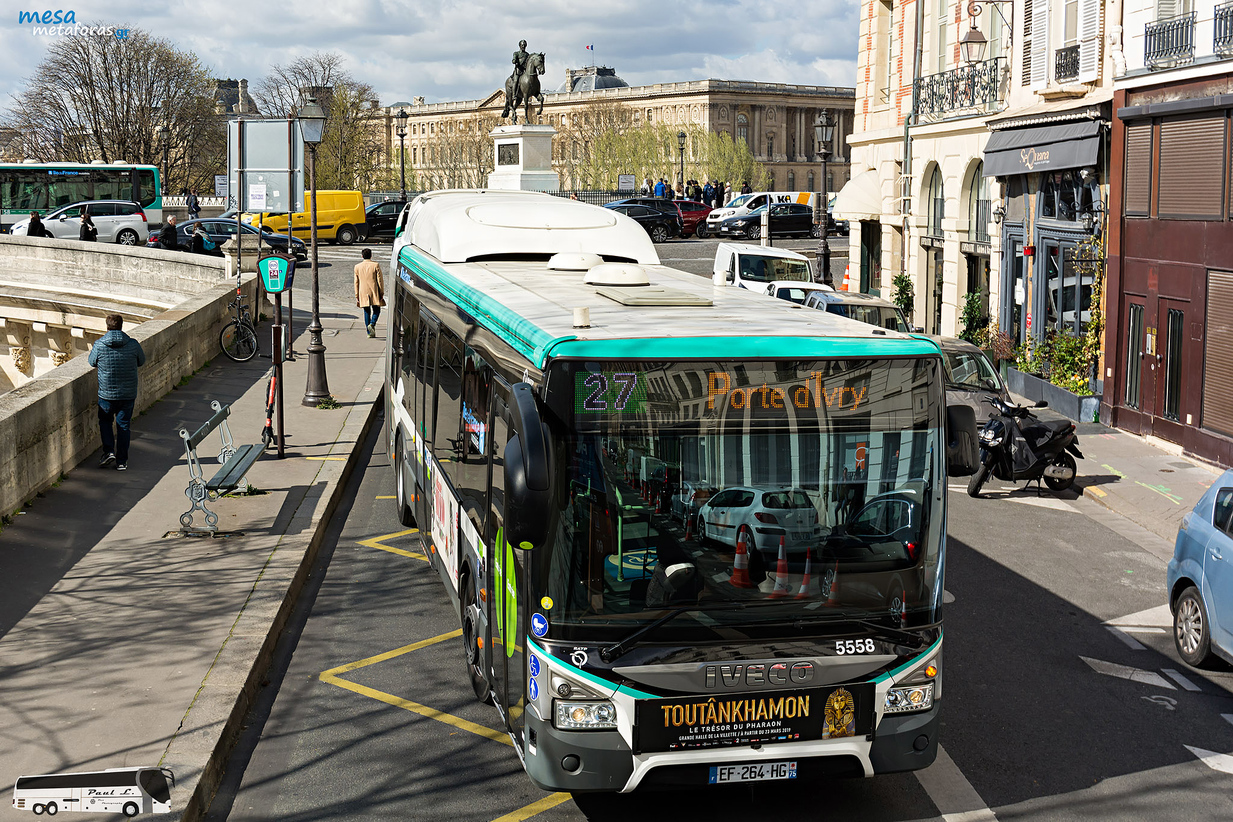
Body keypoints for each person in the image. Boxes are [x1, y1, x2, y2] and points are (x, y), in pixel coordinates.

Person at [88, 314, 146, 471]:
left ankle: (108, 452)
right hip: (127, 393)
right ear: (121, 326)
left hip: (106, 394)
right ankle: (122, 461)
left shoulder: (99, 344)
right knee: (124, 426)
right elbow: (142, 361)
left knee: (105, 422)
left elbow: (91, 362)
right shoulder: (133, 344)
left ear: (107, 326)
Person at [354, 247, 385, 338]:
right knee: (377, 310)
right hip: (374, 290)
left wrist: (357, 294)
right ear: (371, 255)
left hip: (362, 291)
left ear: (362, 256)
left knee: (366, 311)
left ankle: (369, 332)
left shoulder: (357, 267)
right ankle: (372, 323)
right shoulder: (375, 265)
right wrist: (381, 292)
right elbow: (380, 280)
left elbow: (356, 282)